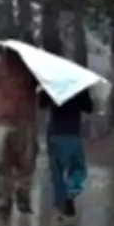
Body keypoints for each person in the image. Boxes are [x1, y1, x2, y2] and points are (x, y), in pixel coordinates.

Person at [0, 45, 39, 219]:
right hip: (22, 124)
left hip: (10, 124)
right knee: (25, 164)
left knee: (2, 164)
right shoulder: (28, 71)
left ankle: (9, 198)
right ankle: (19, 194)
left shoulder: (1, 70)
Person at [40, 88, 94, 218]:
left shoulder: (52, 85)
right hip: (72, 133)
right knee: (77, 168)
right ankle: (70, 194)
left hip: (55, 135)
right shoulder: (78, 86)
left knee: (57, 172)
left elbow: (41, 104)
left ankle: (61, 204)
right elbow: (89, 107)